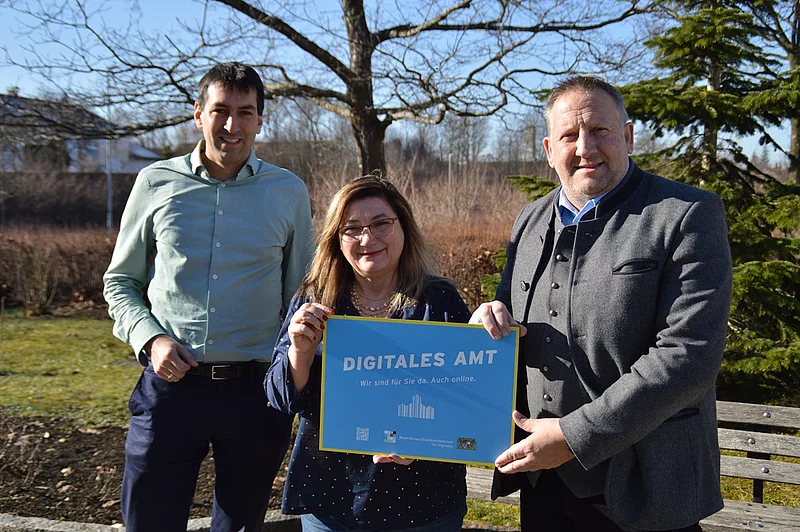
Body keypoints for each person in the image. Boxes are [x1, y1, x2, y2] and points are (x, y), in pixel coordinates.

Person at [470, 75, 733, 532]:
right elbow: (508, 309)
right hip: (545, 484)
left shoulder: (687, 214)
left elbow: (689, 356)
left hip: (648, 491)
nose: (586, 147)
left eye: (601, 131)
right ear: (550, 150)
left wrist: (573, 438)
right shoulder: (528, 219)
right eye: (570, 136)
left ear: (628, 137)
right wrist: (490, 315)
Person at [103, 62, 314, 532]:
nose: (232, 126)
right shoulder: (155, 183)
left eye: (245, 112)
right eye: (220, 110)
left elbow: (303, 295)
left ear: (261, 119)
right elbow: (120, 283)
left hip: (256, 394)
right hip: (170, 390)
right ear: (197, 114)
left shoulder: (288, 192)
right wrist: (152, 341)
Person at [265, 175, 470, 531]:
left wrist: (425, 441)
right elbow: (279, 398)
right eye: (352, 229)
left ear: (403, 227)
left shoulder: (439, 300)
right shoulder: (315, 299)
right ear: (336, 239)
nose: (367, 239)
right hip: (334, 501)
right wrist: (299, 352)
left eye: (380, 224)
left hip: (425, 502)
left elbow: (470, 396)